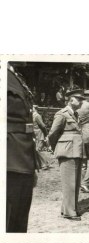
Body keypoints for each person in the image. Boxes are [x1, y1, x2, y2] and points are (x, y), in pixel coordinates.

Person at [7, 65, 39, 232]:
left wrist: (31, 166)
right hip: (8, 161)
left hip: (22, 160)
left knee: (17, 227)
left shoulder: (14, 74)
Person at [48, 89, 85, 221]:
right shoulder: (62, 114)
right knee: (69, 182)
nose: (81, 102)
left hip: (76, 150)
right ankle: (70, 212)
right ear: (70, 99)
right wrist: (57, 148)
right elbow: (52, 134)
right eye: (78, 99)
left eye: (82, 99)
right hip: (67, 151)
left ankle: (68, 209)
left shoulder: (75, 114)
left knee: (75, 182)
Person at [33, 105, 51, 169]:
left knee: (38, 150)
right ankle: (40, 164)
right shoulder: (32, 115)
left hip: (40, 135)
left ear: (35, 109)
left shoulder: (37, 116)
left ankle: (45, 164)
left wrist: (46, 135)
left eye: (32, 108)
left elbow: (43, 126)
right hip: (35, 136)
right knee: (36, 150)